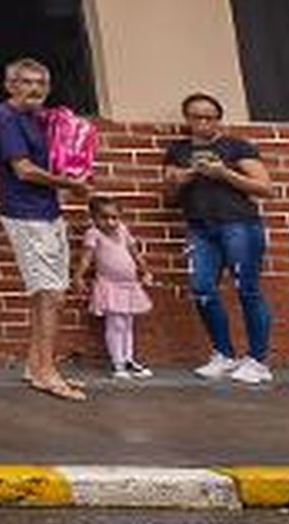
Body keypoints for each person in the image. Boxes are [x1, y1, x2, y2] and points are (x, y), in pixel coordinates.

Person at [0, 57, 90, 399]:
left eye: (41, 83)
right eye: (26, 82)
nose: (35, 89)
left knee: (47, 294)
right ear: (10, 85)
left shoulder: (38, 118)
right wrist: (69, 184)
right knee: (50, 295)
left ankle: (36, 366)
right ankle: (47, 372)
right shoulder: (6, 117)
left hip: (48, 211)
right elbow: (23, 170)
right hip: (26, 214)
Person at [163, 92, 277, 385]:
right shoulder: (178, 151)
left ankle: (258, 361)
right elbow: (170, 195)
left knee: (247, 290)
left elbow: (265, 188)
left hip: (239, 224)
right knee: (201, 288)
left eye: (210, 118)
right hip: (200, 228)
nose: (204, 123)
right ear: (187, 119)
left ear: (219, 120)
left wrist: (224, 173)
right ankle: (224, 355)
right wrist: (183, 177)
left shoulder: (236, 146)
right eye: (197, 117)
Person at [82, 198, 157, 380]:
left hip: (129, 285)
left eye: (115, 217)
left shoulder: (122, 230)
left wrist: (145, 271)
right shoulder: (93, 234)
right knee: (115, 324)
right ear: (93, 217)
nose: (110, 222)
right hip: (110, 286)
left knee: (128, 324)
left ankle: (128, 359)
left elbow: (134, 252)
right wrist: (78, 277)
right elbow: (86, 258)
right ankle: (118, 363)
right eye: (104, 218)